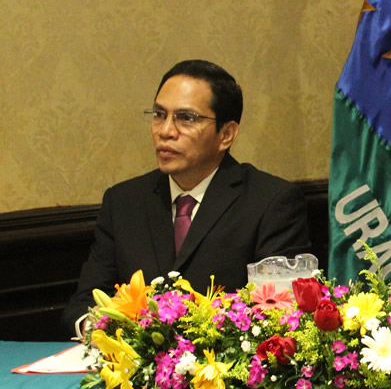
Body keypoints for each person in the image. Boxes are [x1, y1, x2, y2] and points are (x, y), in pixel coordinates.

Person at [62, 60, 311, 330]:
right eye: (159, 115)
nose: (166, 131)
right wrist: (106, 332)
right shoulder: (123, 202)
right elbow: (83, 305)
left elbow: (280, 316)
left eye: (186, 118)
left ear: (226, 134)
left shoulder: (271, 203)